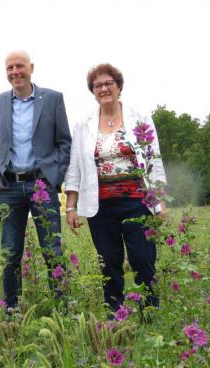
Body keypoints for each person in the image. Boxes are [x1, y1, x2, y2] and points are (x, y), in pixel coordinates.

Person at [63, 63, 167, 316]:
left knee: (143, 259)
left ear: (119, 86)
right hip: (100, 205)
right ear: (92, 91)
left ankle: (149, 313)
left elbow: (154, 159)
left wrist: (160, 201)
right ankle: (114, 315)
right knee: (109, 263)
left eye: (109, 83)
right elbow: (75, 166)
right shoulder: (83, 124)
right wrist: (71, 205)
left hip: (137, 201)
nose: (104, 88)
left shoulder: (139, 116)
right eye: (97, 85)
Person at [0, 50, 72, 310]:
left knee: (52, 251)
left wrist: (54, 177)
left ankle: (63, 309)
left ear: (31, 67)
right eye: (10, 68)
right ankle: (12, 309)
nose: (15, 72)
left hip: (41, 184)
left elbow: (64, 143)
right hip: (8, 187)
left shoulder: (53, 99)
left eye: (19, 66)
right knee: (10, 253)